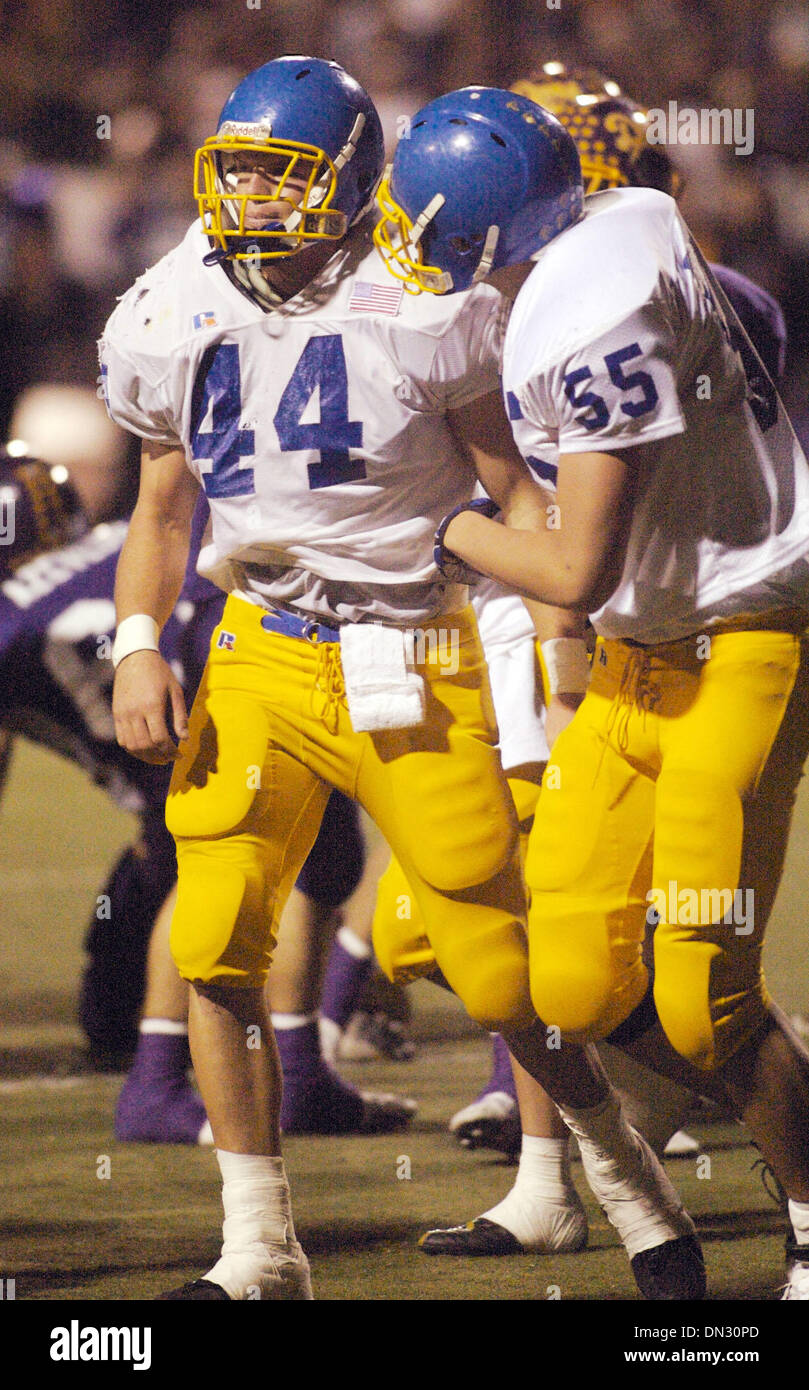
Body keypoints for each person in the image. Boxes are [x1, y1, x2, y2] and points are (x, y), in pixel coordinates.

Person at [102, 57, 704, 1302]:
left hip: (412, 651)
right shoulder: (170, 303)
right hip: (258, 644)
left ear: (350, 179)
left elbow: (514, 493)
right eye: (241, 171)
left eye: (284, 174)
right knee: (216, 936)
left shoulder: (427, 297)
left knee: (495, 968)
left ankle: (623, 1182)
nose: (256, 199)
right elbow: (161, 512)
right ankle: (259, 1249)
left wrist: (556, 642)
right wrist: (138, 641)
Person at [376, 83, 809, 1300]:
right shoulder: (612, 220)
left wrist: (444, 525)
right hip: (643, 652)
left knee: (703, 998)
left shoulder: (588, 311)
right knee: (563, 978)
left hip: (740, 644)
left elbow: (570, 567)